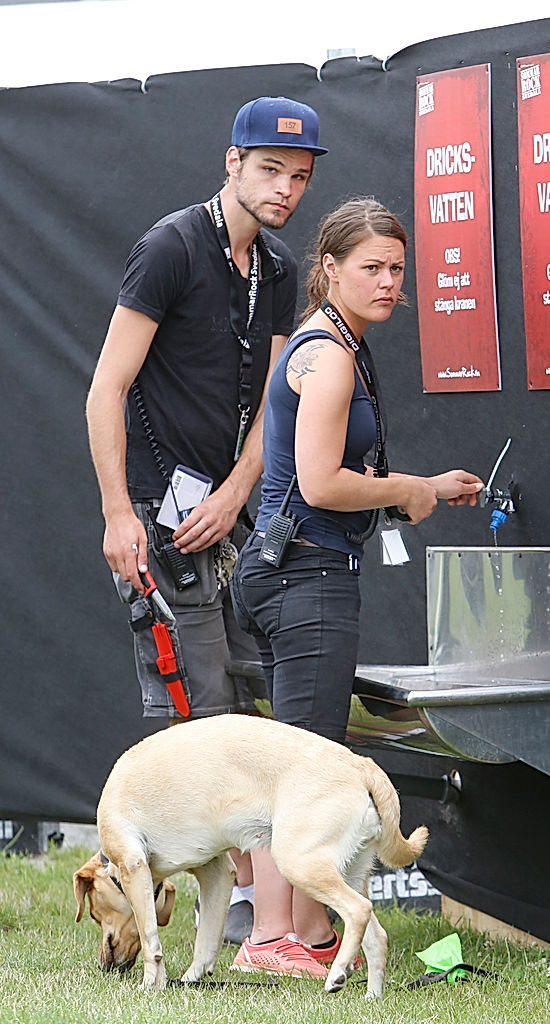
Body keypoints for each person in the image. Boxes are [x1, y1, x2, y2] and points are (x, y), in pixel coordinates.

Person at [85, 95, 327, 941]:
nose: (284, 189)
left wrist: (235, 494)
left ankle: (257, 900)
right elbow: (106, 388)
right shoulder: (169, 247)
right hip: (156, 515)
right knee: (195, 703)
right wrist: (120, 515)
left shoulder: (282, 267)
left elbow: (272, 400)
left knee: (252, 695)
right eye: (269, 170)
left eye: (298, 177)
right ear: (231, 162)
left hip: (228, 517)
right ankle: (194, 907)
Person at [229, 197, 484, 978]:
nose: (386, 282)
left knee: (290, 763)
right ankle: (274, 942)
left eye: (397, 269)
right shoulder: (330, 354)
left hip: (288, 571)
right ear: (329, 267)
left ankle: (294, 936)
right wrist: (408, 488)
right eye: (370, 267)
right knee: (305, 768)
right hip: (304, 575)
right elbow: (319, 481)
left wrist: (427, 485)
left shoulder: (330, 341)